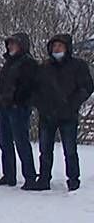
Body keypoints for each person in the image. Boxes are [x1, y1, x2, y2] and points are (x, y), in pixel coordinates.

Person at [25, 33, 93, 192]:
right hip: (47, 115)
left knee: (70, 150)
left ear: (67, 47)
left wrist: (72, 104)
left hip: (68, 115)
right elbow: (34, 89)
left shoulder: (78, 66)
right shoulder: (44, 67)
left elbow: (87, 87)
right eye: (54, 46)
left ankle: (73, 180)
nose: (57, 49)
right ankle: (43, 179)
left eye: (60, 46)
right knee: (45, 150)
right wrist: (40, 105)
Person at [0, 33, 37, 187]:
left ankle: (29, 176)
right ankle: (8, 174)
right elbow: (2, 83)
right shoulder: (9, 62)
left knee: (21, 142)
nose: (10, 47)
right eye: (9, 44)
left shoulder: (28, 63)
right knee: (4, 142)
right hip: (4, 107)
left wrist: (16, 100)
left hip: (18, 108)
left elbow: (28, 86)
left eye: (13, 44)